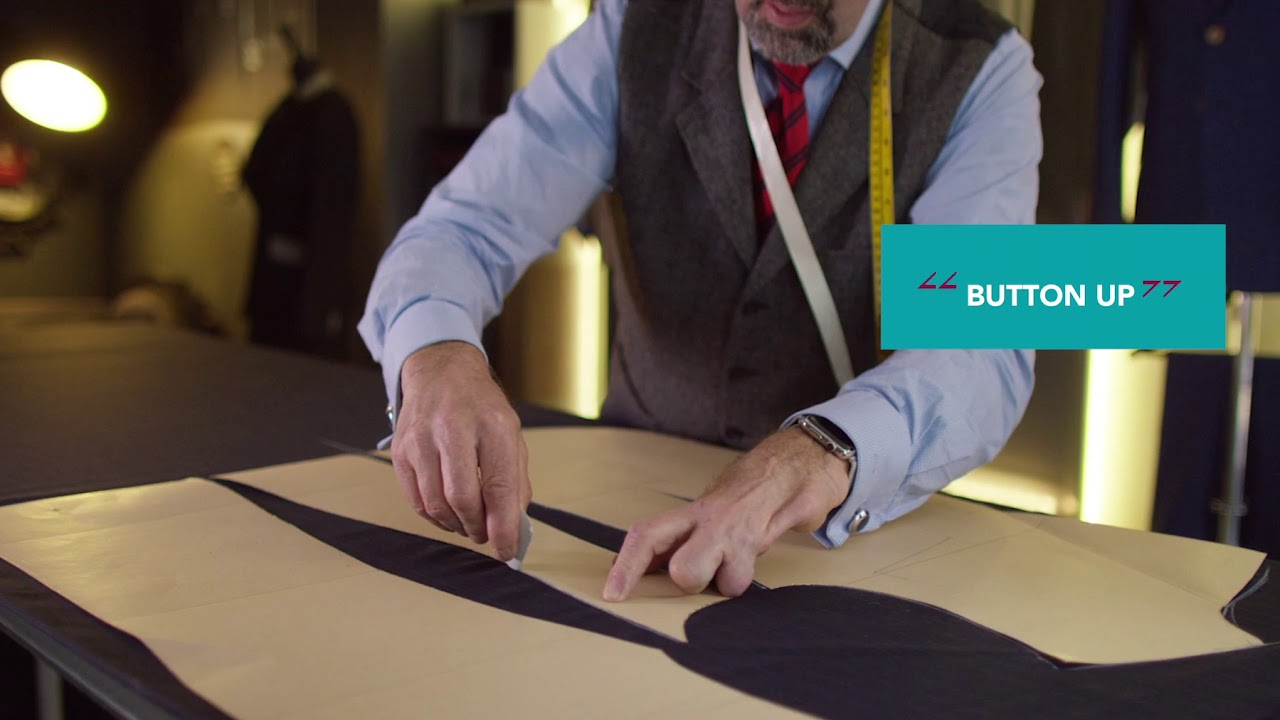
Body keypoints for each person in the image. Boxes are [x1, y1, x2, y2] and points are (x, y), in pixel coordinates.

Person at [360, 0, 1041, 602]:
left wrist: (822, 450)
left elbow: (986, 343)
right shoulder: (632, 26)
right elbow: (463, 227)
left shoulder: (985, 67)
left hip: (844, 542)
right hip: (625, 507)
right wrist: (436, 353)